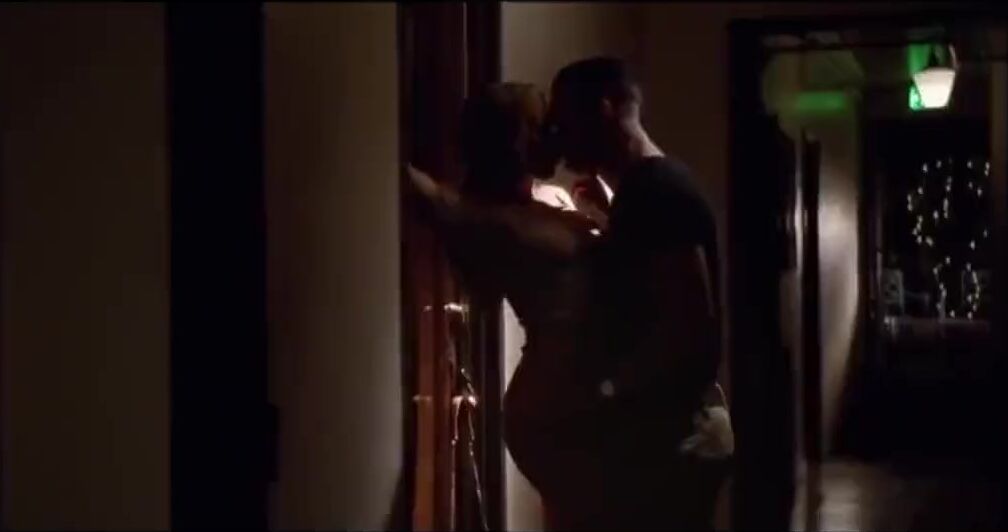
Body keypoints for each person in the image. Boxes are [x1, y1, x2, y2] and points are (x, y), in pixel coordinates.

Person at [543, 56, 731, 530]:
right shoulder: (645, 190)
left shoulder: (657, 191)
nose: (559, 136)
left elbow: (689, 325)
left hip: (669, 441)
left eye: (566, 119)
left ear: (604, 110)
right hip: (669, 435)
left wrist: (607, 391)